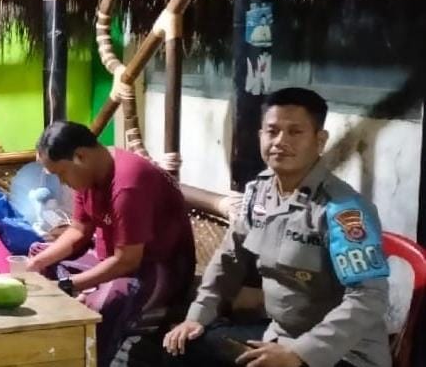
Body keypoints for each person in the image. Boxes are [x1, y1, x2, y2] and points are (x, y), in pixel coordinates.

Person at [163, 87, 391, 367]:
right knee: (182, 345)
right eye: (272, 131)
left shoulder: (342, 209)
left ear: (320, 141)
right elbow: (229, 260)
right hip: (279, 337)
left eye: (295, 132)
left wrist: (300, 354)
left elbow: (368, 297)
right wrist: (197, 316)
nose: (280, 141)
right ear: (261, 136)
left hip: (343, 354)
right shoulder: (259, 193)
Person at [27, 120, 196, 364]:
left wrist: (67, 285)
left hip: (154, 268)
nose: (62, 182)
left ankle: (90, 359)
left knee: (102, 305)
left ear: (80, 156)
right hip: (110, 258)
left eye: (61, 174)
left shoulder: (128, 185)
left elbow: (127, 261)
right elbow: (79, 230)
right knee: (38, 255)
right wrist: (37, 263)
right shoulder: (89, 174)